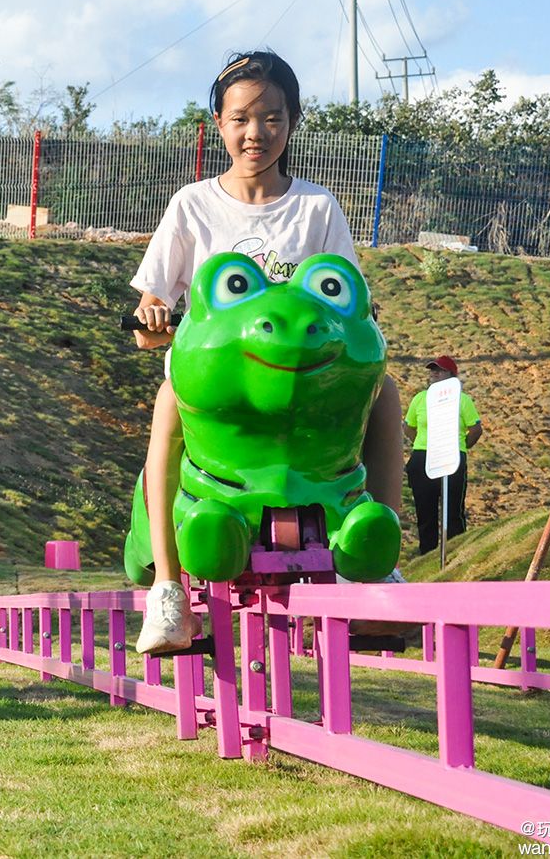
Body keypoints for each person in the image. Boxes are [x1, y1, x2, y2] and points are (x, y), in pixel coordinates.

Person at [129, 50, 404, 654]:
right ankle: (169, 592)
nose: (257, 133)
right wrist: (153, 316)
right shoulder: (193, 205)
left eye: (273, 118)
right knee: (169, 399)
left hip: (306, 387)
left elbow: (345, 299)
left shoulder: (315, 208)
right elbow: (152, 308)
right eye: (242, 118)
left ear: (293, 121)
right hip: (227, 390)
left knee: (384, 393)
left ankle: (380, 552)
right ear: (219, 124)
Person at [404, 355, 483, 555]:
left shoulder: (462, 400)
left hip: (451, 456)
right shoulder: (420, 398)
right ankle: (427, 556)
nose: (434, 374)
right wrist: (423, 444)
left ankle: (456, 554)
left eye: (439, 370)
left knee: (453, 511)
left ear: (451, 375)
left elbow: (475, 429)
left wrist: (460, 447)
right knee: (425, 511)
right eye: (432, 370)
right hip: (423, 456)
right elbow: (408, 426)